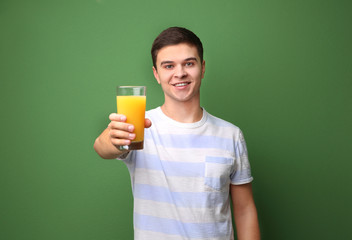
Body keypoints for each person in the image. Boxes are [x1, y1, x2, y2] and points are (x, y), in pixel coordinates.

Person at [94, 27, 260, 240]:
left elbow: (245, 210)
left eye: (189, 63)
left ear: (203, 68)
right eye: (168, 66)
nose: (179, 73)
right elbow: (102, 147)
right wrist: (114, 139)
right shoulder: (139, 126)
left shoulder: (231, 135)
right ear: (156, 74)